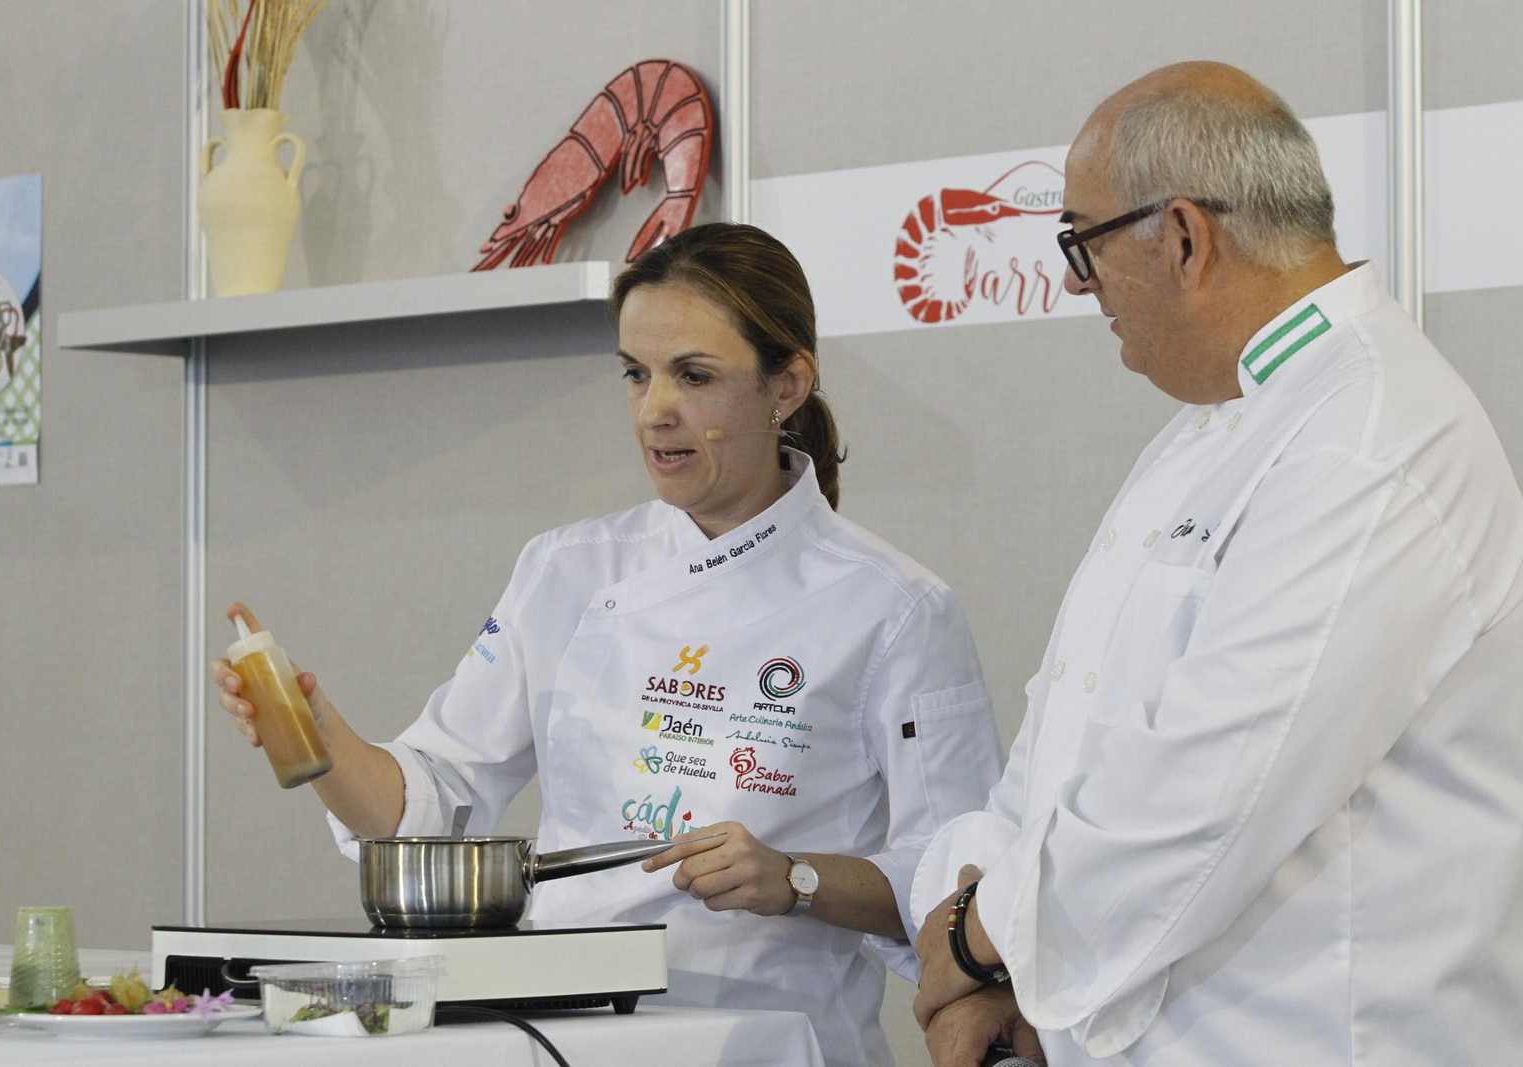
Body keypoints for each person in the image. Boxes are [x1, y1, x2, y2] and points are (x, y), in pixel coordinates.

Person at [213, 222, 1003, 1067]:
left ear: (788, 386)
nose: (654, 409)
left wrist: (794, 878)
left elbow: (955, 886)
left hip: (771, 1044)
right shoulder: (567, 569)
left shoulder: (897, 608)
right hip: (564, 1039)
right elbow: (431, 802)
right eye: (635, 374)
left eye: (693, 376)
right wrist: (322, 739)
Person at [910, 62, 1523, 1066]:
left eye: (1082, 243)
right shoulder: (1218, 424)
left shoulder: (1370, 436)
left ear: (1185, 237)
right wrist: (991, 949)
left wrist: (978, 942)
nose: (1073, 281)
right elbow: (1063, 732)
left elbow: (1203, 796)